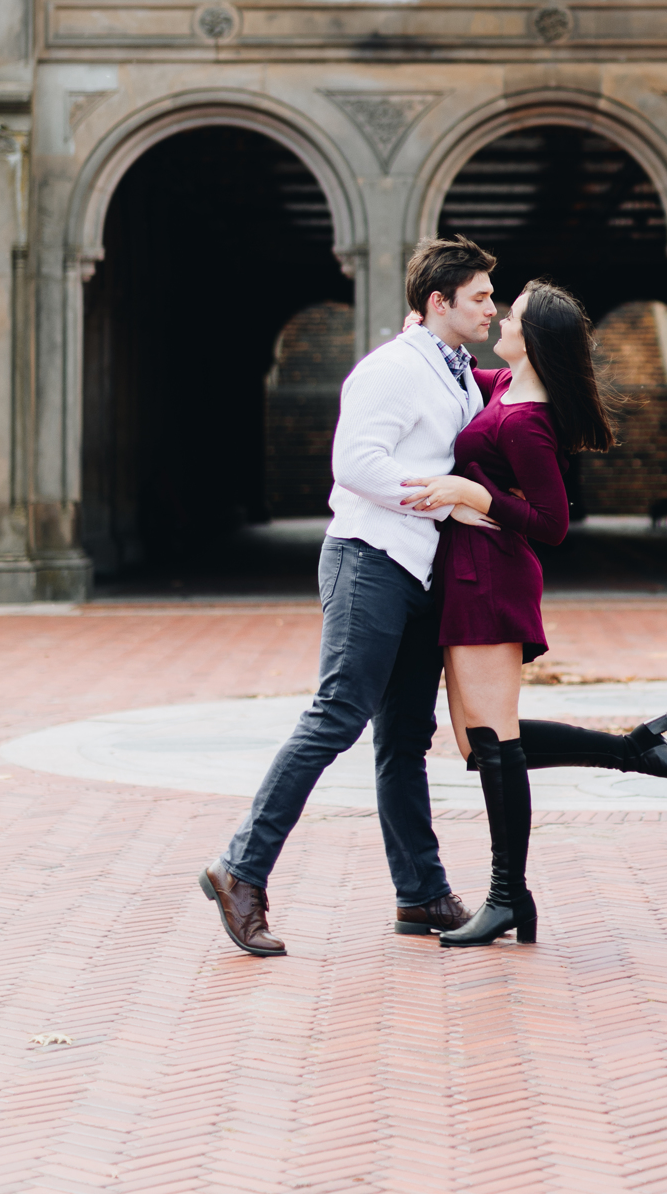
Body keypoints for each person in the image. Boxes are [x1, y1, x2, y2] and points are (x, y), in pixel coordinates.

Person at [199, 235, 500, 955]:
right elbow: (353, 463)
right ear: (439, 302)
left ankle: (421, 893)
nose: (493, 307)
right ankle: (239, 869)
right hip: (370, 559)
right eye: (481, 297)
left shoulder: (453, 370)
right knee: (337, 716)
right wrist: (446, 501)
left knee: (403, 739)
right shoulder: (392, 369)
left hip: (421, 570)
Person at [399, 281, 667, 949]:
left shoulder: (527, 420)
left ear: (532, 341)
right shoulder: (503, 389)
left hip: (490, 579)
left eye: (509, 316)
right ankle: (634, 750)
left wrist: (474, 494)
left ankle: (507, 897)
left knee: (491, 745)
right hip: (469, 575)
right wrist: (422, 338)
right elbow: (455, 370)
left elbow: (552, 524)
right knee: (481, 744)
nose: (497, 320)